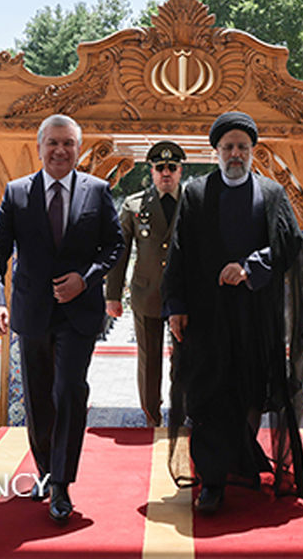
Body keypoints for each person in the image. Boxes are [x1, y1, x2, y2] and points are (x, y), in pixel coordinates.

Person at [162, 111, 303, 515]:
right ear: (216, 152)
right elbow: (179, 253)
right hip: (207, 317)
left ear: (253, 152)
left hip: (256, 316)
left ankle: (239, 462)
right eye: (228, 147)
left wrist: (251, 266)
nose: (235, 154)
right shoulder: (196, 193)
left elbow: (290, 247)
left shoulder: (271, 194)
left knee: (251, 392)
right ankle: (213, 482)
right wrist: (176, 307)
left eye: (243, 148)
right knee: (207, 395)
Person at [0, 113, 125, 525]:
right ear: (40, 145)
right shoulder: (17, 193)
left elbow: (114, 246)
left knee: (69, 391)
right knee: (40, 397)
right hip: (32, 311)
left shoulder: (98, 192)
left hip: (79, 314)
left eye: (69, 144)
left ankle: (61, 483)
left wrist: (87, 278)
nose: (61, 151)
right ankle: (45, 470)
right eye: (53, 143)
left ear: (79, 149)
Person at [106, 140, 185, 427]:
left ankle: (181, 410)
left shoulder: (192, 203)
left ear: (180, 171)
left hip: (183, 295)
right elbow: (120, 252)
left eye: (172, 167)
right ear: (151, 171)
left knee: (183, 358)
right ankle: (151, 413)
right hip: (146, 292)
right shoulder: (134, 205)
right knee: (149, 358)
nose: (166, 173)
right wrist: (112, 295)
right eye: (160, 167)